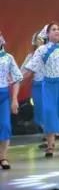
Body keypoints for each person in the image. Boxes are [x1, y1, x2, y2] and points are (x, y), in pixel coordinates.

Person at [22, 23, 59, 157]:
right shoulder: (41, 50)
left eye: (58, 29)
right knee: (49, 112)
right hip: (48, 85)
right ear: (47, 34)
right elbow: (31, 68)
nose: (57, 31)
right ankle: (50, 145)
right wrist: (17, 79)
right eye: (53, 29)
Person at [0, 31, 22, 169]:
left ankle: (3, 157)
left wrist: (14, 99)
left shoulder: (8, 58)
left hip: (3, 95)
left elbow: (17, 79)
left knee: (5, 125)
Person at [22, 30, 47, 146]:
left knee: (49, 109)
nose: (40, 40)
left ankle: (51, 136)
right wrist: (15, 79)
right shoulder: (31, 56)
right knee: (40, 110)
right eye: (38, 39)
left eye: (42, 38)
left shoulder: (51, 53)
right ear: (34, 41)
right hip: (37, 85)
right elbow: (24, 71)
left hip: (50, 84)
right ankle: (46, 134)